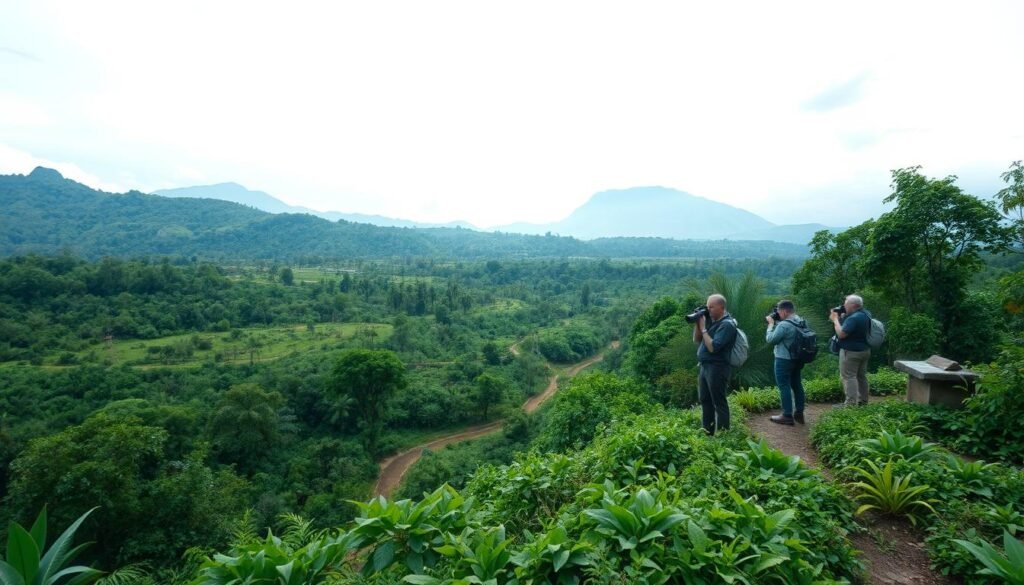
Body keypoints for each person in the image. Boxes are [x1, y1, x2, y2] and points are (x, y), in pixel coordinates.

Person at [692, 294, 737, 435]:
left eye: (712, 307)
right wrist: (698, 324)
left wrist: (704, 328)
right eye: (708, 306)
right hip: (705, 367)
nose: (709, 309)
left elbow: (713, 347)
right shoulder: (713, 321)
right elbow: (696, 339)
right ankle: (707, 433)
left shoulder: (727, 325)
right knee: (705, 400)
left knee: (719, 402)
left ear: (721, 308)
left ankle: (724, 435)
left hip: (717, 368)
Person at [765, 300, 806, 425]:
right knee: (797, 385)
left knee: (784, 386)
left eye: (778, 311)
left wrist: (771, 325)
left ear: (783, 311)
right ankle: (799, 412)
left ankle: (787, 415)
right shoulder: (801, 320)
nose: (777, 313)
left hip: (784, 359)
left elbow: (771, 340)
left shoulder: (784, 325)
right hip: (798, 358)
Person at [829, 293, 871, 407]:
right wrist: (843, 317)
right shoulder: (865, 314)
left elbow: (841, 334)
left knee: (848, 377)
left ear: (853, 305)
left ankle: (850, 405)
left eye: (845, 304)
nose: (843, 306)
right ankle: (863, 401)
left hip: (851, 352)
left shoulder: (854, 318)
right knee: (861, 376)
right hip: (864, 350)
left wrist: (835, 320)